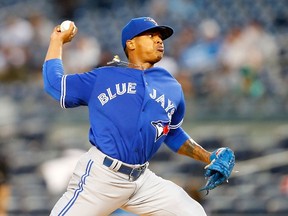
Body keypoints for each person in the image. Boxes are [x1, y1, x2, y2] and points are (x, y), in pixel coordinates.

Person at [42, 16, 235, 216]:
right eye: (151, 35)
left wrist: (209, 157)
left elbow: (172, 133)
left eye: (161, 37)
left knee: (194, 212)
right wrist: (57, 41)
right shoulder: (104, 77)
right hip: (102, 177)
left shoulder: (170, 86)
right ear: (131, 43)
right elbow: (54, 84)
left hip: (142, 181)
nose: (159, 40)